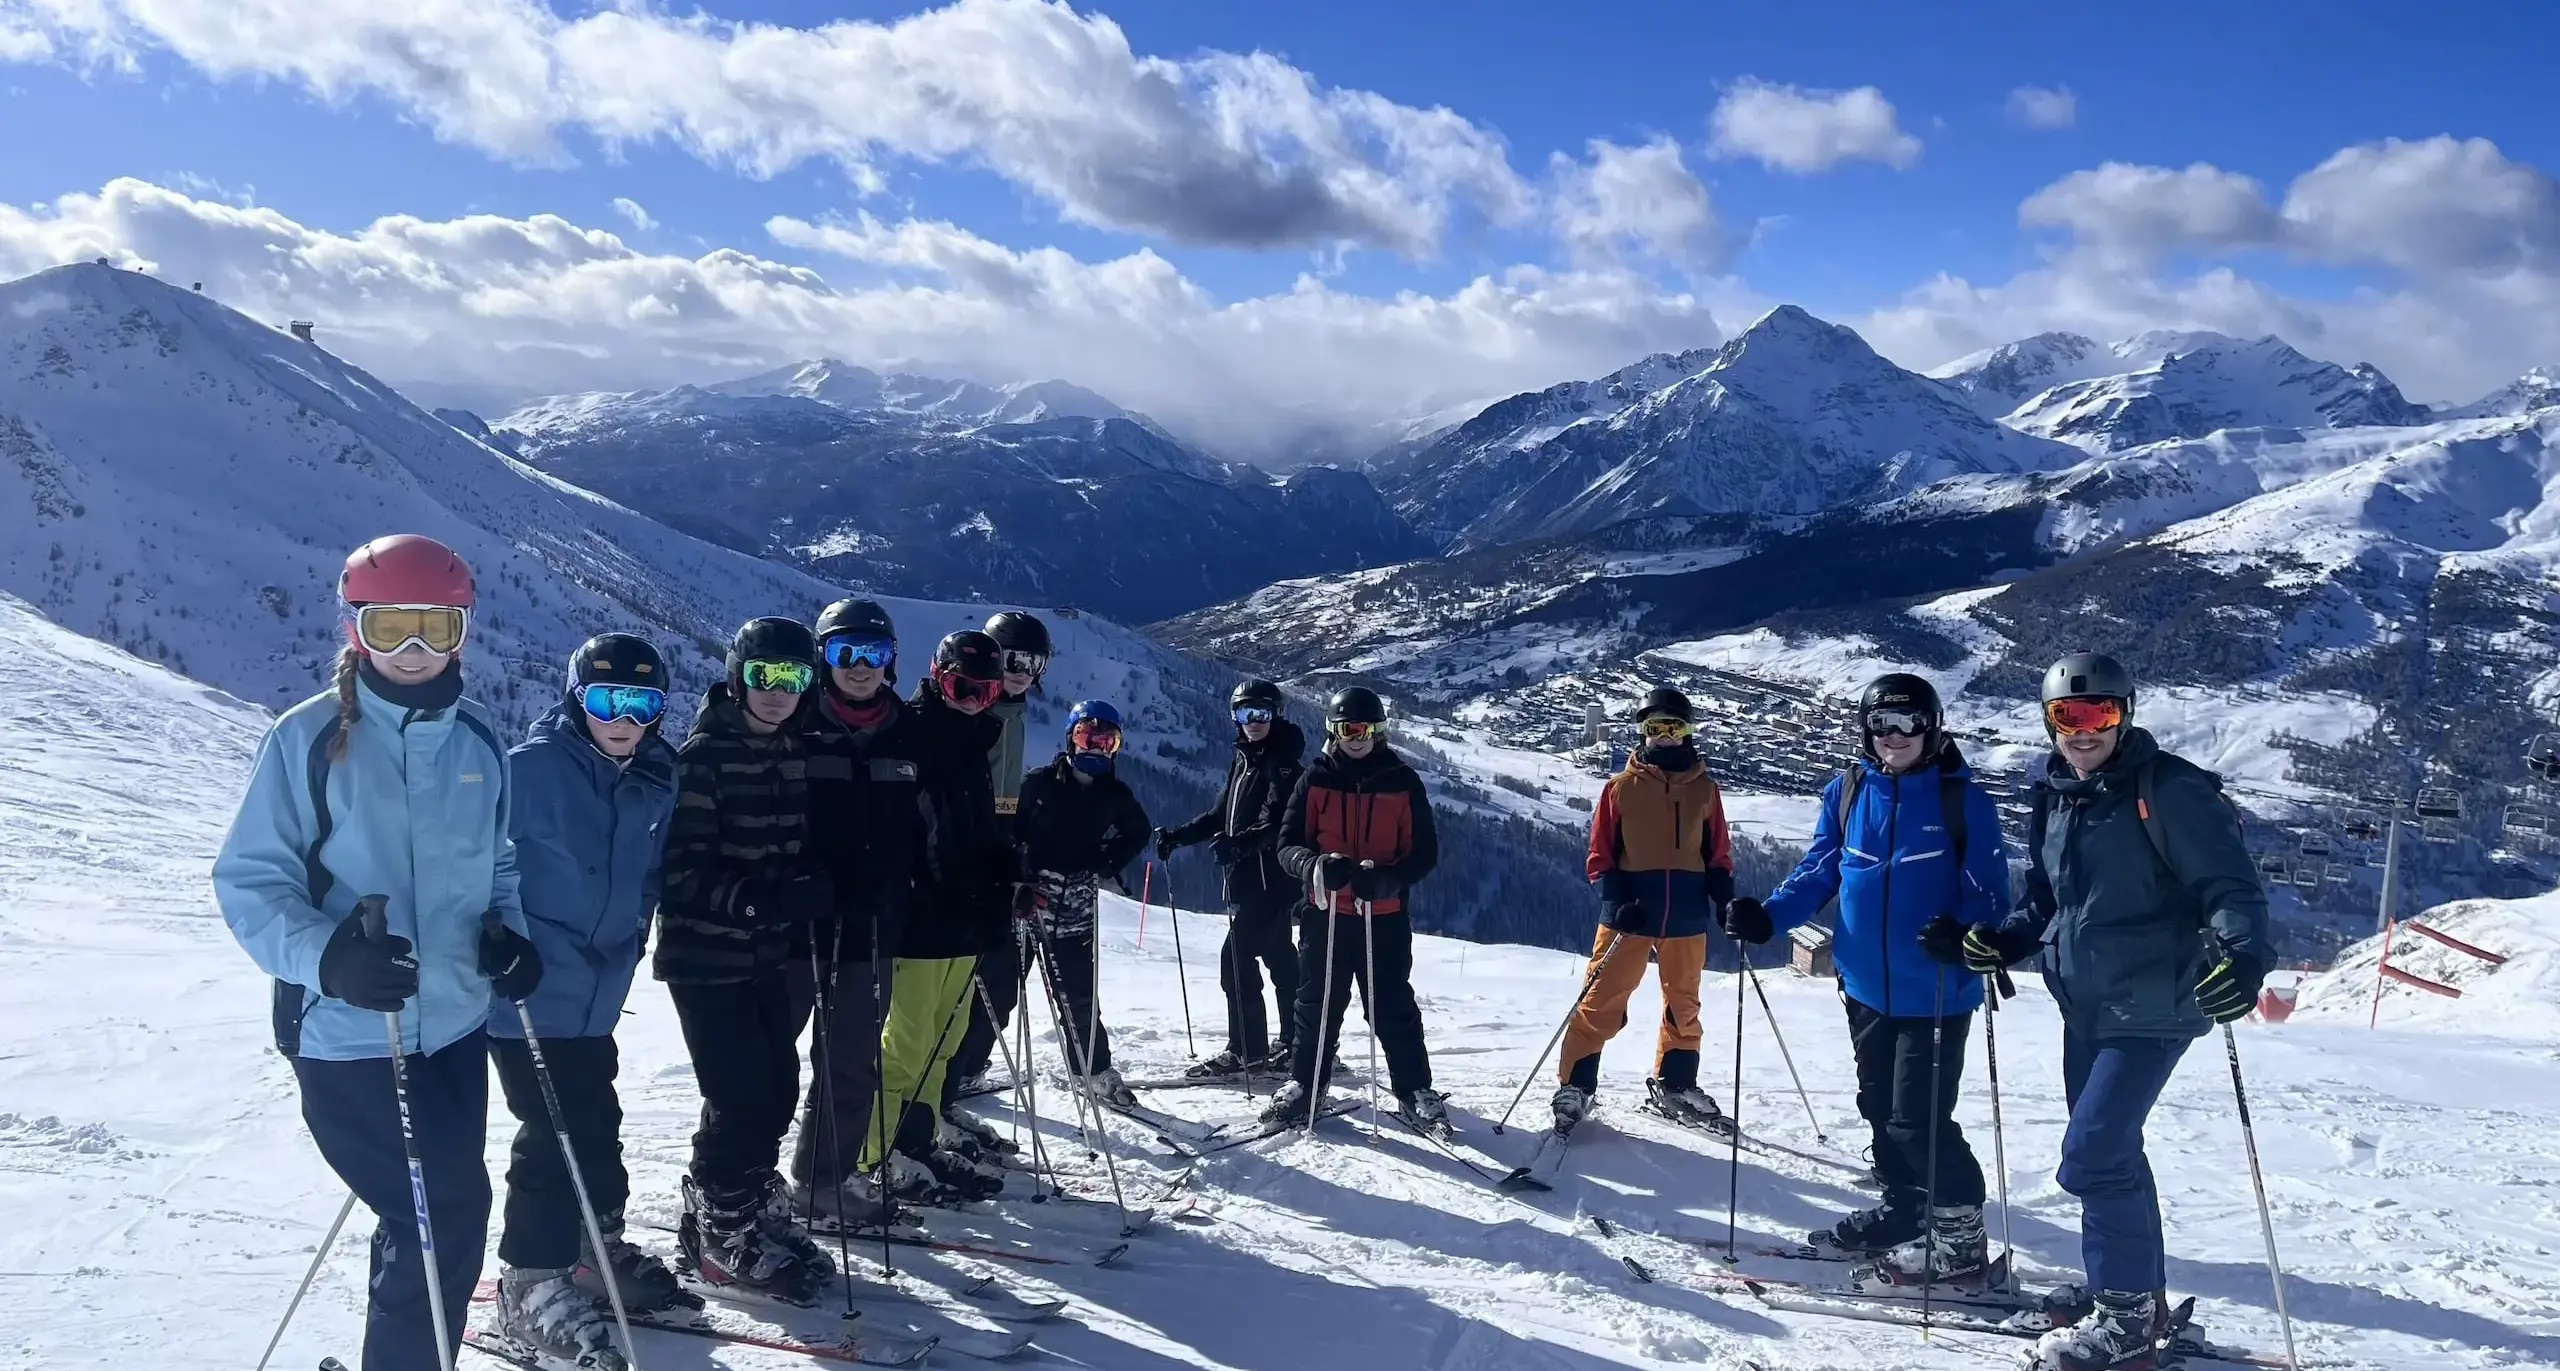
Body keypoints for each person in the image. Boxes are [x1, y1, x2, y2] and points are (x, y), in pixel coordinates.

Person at [214, 534, 536, 1371]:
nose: (417, 648)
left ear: (464, 629)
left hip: (458, 1025)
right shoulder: (309, 740)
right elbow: (249, 881)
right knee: (447, 1213)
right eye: (393, 626)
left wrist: (509, 937)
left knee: (424, 1217)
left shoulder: (478, 742)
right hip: (349, 1033)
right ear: (357, 629)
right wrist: (330, 960)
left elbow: (497, 862)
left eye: (438, 625)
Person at [1959, 653, 2273, 1371]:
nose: (2083, 729)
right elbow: (2047, 897)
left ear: (2125, 713)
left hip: (2158, 1001)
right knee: (2116, 1151)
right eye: (2068, 715)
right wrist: (2005, 939)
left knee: (2094, 1152)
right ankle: (2133, 1295)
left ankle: (2125, 1323)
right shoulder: (2056, 794)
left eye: (2099, 713)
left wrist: (2245, 959)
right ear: (2049, 721)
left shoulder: (2169, 790)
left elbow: (2232, 889)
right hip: (2086, 1005)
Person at [1733, 671, 2011, 1285]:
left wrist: (1962, 932)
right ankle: (1906, 1211)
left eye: (1908, 722)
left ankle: (1962, 1240)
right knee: (1880, 1108)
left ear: (1931, 727)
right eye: (1881, 723)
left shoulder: (1962, 801)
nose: (1894, 735)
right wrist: (1769, 916)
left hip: (1935, 990)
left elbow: (1992, 895)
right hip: (1863, 987)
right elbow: (1821, 869)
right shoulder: (1849, 790)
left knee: (1921, 1118)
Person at [486, 632, 687, 1367]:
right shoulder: (527, 771)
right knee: (551, 1130)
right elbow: (475, 862)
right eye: (607, 698)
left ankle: (589, 1251)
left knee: (597, 1121)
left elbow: (649, 873)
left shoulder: (655, 777)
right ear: (577, 697)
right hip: (527, 990)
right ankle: (528, 1280)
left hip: (598, 991)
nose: (624, 715)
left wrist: (639, 929)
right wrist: (492, 938)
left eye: (643, 701)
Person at [657, 617, 839, 1305]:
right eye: (763, 676)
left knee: (778, 1088)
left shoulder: (787, 750)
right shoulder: (704, 755)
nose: (776, 691)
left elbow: (790, 850)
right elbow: (680, 872)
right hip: (706, 957)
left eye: (791, 679)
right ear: (738, 676)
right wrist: (761, 901)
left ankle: (744, 1205)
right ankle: (720, 1233)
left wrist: (813, 880)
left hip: (764, 954)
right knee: (739, 1097)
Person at [794, 598, 942, 1220]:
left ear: (892, 662)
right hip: (792, 923)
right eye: (843, 653)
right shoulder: (793, 725)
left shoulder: (909, 734)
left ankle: (825, 1181)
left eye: (874, 654)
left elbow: (930, 830)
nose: (859, 667)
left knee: (851, 1059)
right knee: (762, 1067)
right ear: (822, 659)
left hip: (872, 923)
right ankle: (736, 1196)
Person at [867, 629, 1013, 1204]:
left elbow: (975, 830)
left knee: (943, 1040)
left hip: (963, 917)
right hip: (920, 919)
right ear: (937, 674)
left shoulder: (972, 738)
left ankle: (918, 1142)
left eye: (985, 691)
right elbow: (904, 831)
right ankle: (873, 1157)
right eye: (961, 686)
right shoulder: (911, 732)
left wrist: (1005, 872)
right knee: (904, 1044)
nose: (973, 699)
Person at [1260, 687, 1447, 1133]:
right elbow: (1287, 845)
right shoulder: (1316, 779)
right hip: (1325, 912)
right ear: (1334, 731)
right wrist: (1315, 866)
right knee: (1317, 1002)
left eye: (1365, 728)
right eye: (1347, 728)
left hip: (1383, 916)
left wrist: (1389, 879)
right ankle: (1306, 1083)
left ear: (1379, 731)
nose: (1356, 737)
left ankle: (1414, 1088)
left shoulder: (1402, 781)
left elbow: (1424, 853)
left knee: (1391, 1003)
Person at [1557, 687, 1734, 1133]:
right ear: (1642, 732)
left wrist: (1725, 897)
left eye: (1674, 727)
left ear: (1689, 732)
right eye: (1655, 728)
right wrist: (1617, 902)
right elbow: (1600, 856)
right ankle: (1576, 1084)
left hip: (1687, 914)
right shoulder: (1620, 789)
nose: (1665, 736)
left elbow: (1718, 854)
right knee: (1601, 998)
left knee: (1684, 1004)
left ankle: (1675, 1083)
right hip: (1630, 914)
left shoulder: (1706, 791)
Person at [1156, 678, 1307, 1078]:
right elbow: (1220, 816)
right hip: (1255, 879)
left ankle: (1247, 1051)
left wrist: (1240, 845)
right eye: (1246, 713)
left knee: (1236, 959)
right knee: (1280, 959)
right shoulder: (1247, 759)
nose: (1254, 721)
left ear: (1276, 715)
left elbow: (1278, 820)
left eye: (1262, 713)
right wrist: (1178, 837)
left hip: (1271, 880)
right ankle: (1299, 1042)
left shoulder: (1283, 762)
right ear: (1235, 717)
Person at [1015, 700, 1152, 1107]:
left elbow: (1137, 830)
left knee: (1076, 993)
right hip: (1026, 900)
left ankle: (1093, 1070)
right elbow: (1006, 831)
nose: (1095, 748)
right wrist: (1018, 871)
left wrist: (1107, 860)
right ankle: (962, 1069)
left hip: (1074, 901)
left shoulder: (1114, 793)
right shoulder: (1039, 784)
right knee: (1002, 987)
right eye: (1086, 738)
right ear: (1071, 738)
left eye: (1106, 742)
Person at [943, 610, 1050, 1117]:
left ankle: (961, 1072)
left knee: (1001, 982)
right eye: (1012, 657)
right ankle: (939, 1085)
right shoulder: (971, 712)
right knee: (962, 987)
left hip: (998, 860)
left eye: (1033, 661)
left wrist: (1018, 851)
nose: (1020, 669)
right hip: (963, 866)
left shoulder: (1014, 713)